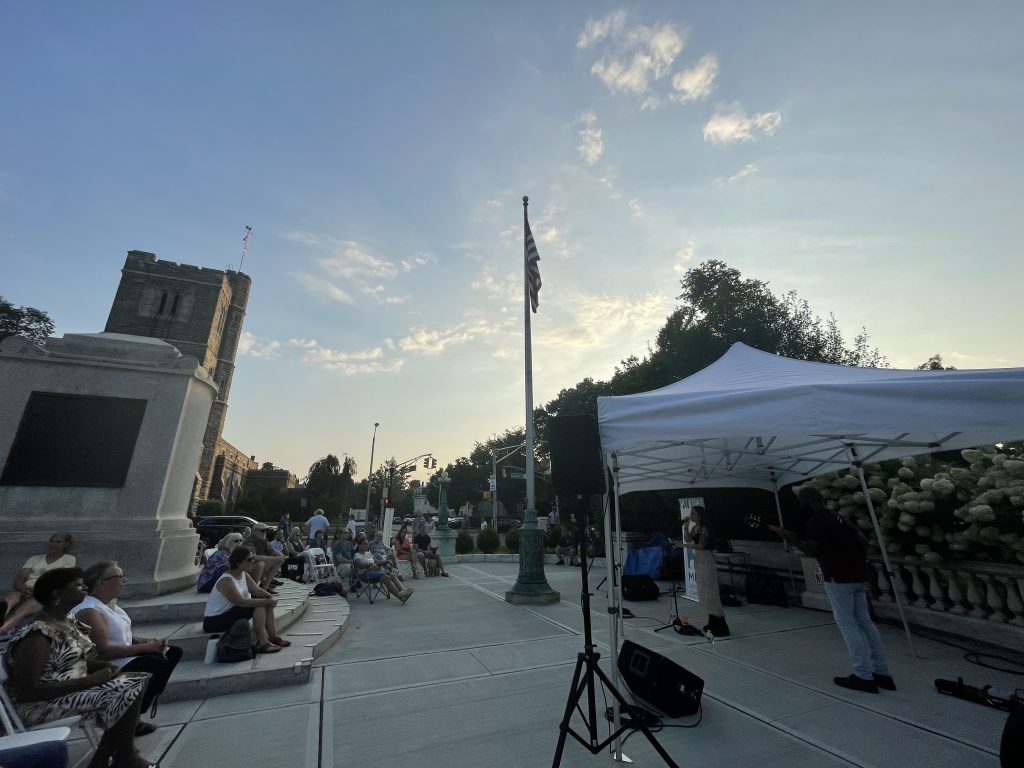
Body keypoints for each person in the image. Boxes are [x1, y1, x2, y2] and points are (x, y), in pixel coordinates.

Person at [0, 568, 156, 768]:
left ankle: (115, 758)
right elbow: (26, 691)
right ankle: (124, 758)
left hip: (68, 692)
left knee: (132, 682)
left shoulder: (67, 621)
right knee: (126, 691)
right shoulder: (38, 635)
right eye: (78, 585)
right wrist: (91, 680)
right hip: (38, 705)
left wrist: (100, 666)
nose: (85, 588)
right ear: (57, 594)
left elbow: (72, 661)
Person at [768, 487, 894, 693]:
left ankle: (862, 674)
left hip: (838, 577)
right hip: (858, 575)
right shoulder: (839, 517)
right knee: (865, 622)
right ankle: (882, 672)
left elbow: (812, 549)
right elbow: (864, 542)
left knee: (848, 624)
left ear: (804, 503)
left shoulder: (816, 522)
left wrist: (788, 536)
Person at [72, 562, 183, 734]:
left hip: (122, 658)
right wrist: (146, 647)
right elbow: (104, 651)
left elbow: (122, 635)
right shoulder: (90, 610)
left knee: (172, 653)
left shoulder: (107, 605)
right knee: (156, 664)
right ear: (101, 582)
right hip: (107, 666)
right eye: (119, 578)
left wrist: (146, 642)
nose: (124, 581)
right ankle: (128, 720)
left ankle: (135, 715)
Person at [202, 546, 290, 654]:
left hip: (230, 613)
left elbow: (256, 590)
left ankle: (274, 637)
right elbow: (241, 602)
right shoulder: (226, 580)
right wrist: (266, 601)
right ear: (238, 562)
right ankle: (262, 643)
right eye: (249, 559)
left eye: (252, 559)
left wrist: (269, 597)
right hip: (214, 621)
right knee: (260, 604)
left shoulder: (243, 574)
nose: (252, 562)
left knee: (264, 601)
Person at [1, 532, 76, 634]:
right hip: (24, 591)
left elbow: (63, 581)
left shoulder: (69, 559)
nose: (54, 544)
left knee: (24, 609)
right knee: (10, 599)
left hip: (44, 593)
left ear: (66, 544)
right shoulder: (34, 559)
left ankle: (2, 630)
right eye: (52, 541)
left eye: (58, 542)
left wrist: (36, 592)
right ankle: (3, 609)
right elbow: (18, 580)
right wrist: (25, 591)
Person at [678, 506, 730, 637]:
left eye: (694, 513)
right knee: (704, 592)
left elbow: (701, 545)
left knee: (711, 592)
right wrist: (685, 526)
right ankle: (712, 621)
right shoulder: (696, 527)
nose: (691, 515)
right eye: (691, 513)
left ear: (701, 515)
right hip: (699, 560)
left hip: (706, 559)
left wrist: (683, 546)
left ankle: (721, 625)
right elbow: (689, 538)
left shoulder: (705, 528)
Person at [244, 523, 285, 592]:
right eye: (262, 531)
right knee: (260, 564)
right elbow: (253, 557)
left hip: (254, 568)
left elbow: (275, 553)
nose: (265, 533)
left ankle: (265, 587)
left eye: (266, 531)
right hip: (244, 570)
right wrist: (273, 558)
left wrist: (282, 557)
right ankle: (254, 590)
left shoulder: (264, 541)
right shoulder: (249, 542)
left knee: (280, 560)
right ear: (254, 532)